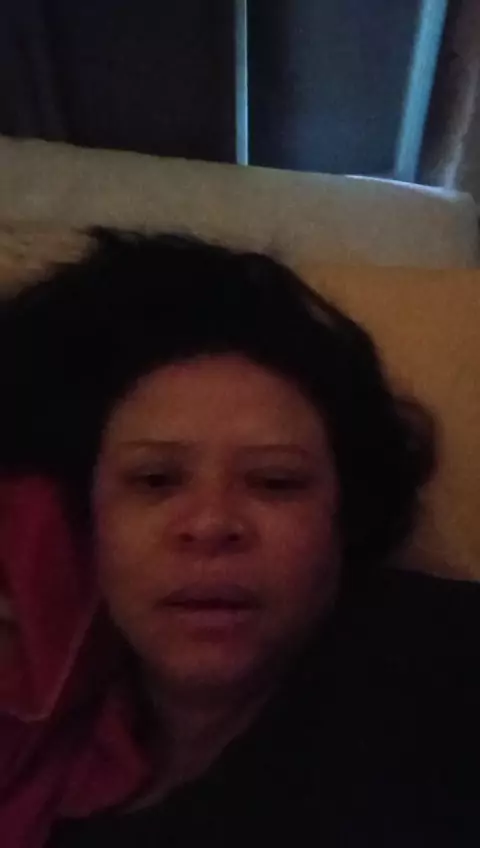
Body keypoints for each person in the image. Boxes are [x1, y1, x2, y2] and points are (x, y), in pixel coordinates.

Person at [1, 228, 479, 846]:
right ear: (84, 519)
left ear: (345, 517)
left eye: (276, 482)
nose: (210, 524)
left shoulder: (439, 665)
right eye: (155, 480)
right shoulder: (45, 787)